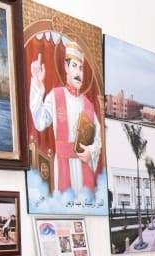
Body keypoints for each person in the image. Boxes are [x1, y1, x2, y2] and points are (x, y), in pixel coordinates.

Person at [29, 42, 102, 198]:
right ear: (66, 67)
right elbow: (40, 122)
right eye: (74, 66)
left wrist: (91, 151)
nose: (78, 72)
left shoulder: (88, 105)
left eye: (81, 68)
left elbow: (98, 140)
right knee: (65, 201)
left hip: (85, 167)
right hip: (63, 166)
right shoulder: (56, 96)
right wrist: (37, 83)